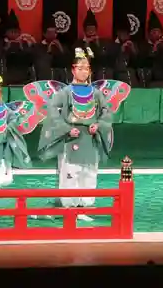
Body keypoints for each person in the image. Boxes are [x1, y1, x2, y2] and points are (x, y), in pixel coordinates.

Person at [27, 48, 131, 221]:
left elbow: (106, 112)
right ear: (73, 70)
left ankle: (83, 206)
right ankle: (69, 207)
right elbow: (52, 111)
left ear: (90, 71)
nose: (83, 71)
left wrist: (98, 125)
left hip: (90, 137)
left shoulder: (96, 93)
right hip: (72, 137)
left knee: (89, 171)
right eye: (79, 68)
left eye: (86, 68)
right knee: (70, 171)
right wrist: (66, 128)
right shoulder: (65, 92)